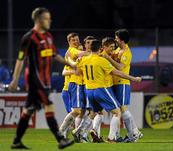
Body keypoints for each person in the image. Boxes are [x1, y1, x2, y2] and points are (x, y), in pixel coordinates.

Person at [8, 7, 74, 149]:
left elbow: (54, 55)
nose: (49, 20)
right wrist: (14, 80)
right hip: (34, 80)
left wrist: (70, 64)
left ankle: (16, 141)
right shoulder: (29, 38)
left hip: (45, 80)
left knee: (28, 110)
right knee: (49, 105)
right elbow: (20, 59)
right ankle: (60, 139)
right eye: (46, 18)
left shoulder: (49, 37)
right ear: (38, 20)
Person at [77, 39, 141, 142]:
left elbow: (77, 66)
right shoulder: (101, 60)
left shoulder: (84, 59)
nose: (113, 48)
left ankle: (79, 131)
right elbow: (118, 72)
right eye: (111, 46)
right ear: (101, 48)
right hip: (101, 89)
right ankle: (113, 137)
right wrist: (133, 78)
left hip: (89, 90)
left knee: (96, 112)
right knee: (117, 112)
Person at [104, 29, 143, 142]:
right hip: (115, 82)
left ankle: (134, 133)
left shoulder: (126, 52)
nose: (115, 39)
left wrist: (108, 58)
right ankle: (129, 134)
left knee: (123, 108)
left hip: (123, 83)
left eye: (116, 37)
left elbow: (120, 67)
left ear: (121, 39)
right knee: (118, 109)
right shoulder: (117, 50)